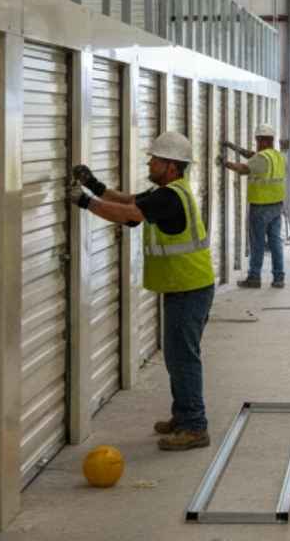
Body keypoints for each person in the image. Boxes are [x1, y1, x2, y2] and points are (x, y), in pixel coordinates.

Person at [72, 131, 215, 452]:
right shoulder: (167, 191)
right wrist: (94, 186)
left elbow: (129, 215)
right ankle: (184, 416)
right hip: (186, 286)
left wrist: (85, 202)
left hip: (188, 288)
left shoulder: (170, 196)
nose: (149, 162)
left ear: (171, 165)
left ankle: (194, 425)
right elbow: (130, 201)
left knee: (183, 358)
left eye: (155, 159)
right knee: (178, 357)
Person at [219, 123, 287, 289]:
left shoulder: (261, 158)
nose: (256, 143)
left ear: (263, 140)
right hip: (277, 205)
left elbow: (244, 169)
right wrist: (234, 148)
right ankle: (279, 278)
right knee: (275, 242)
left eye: (257, 140)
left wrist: (225, 163)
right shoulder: (276, 156)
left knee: (257, 243)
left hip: (261, 206)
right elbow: (252, 156)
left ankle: (254, 277)